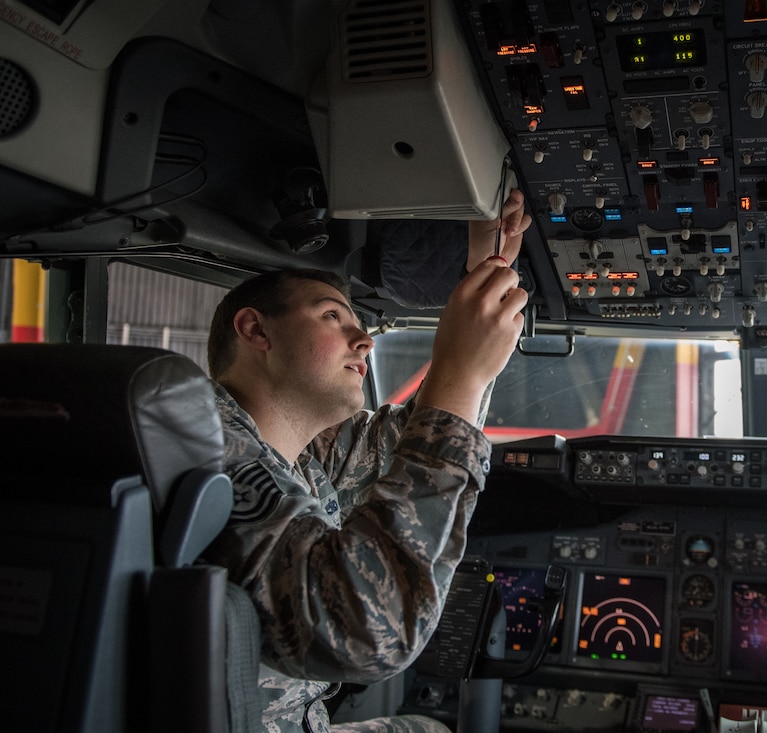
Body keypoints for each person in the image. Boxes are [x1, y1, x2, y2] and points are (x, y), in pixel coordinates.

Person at [201, 190, 533, 733]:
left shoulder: (305, 456)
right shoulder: (205, 438)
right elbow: (362, 632)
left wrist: (484, 269)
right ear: (256, 330)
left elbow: (432, 428)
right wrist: (460, 373)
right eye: (332, 315)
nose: (365, 340)